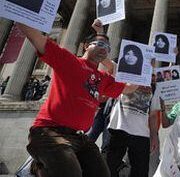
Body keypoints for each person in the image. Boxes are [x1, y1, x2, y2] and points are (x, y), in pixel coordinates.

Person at [12, 17, 138, 177]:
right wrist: (17, 8)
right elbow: (36, 37)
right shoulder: (69, 61)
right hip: (49, 132)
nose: (104, 48)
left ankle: (42, 169)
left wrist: (144, 75)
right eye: (99, 44)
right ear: (85, 46)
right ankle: (40, 168)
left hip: (79, 137)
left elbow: (128, 88)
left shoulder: (102, 77)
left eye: (107, 47)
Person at [106, 82, 161, 177]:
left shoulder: (154, 87)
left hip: (142, 133)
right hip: (119, 128)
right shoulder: (124, 77)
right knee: (110, 167)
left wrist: (154, 135)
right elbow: (111, 70)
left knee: (140, 171)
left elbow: (153, 115)